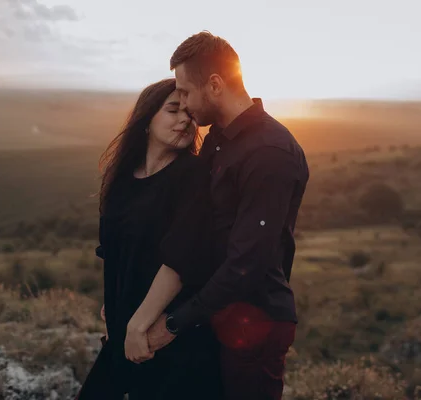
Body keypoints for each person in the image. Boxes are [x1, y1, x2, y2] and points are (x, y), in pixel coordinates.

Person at [138, 32, 310, 400]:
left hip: (256, 320)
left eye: (184, 91)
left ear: (214, 84)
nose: (182, 104)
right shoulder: (219, 137)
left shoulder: (270, 152)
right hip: (217, 316)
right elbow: (197, 228)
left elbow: (246, 265)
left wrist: (172, 324)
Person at [75, 78, 223, 400]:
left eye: (190, 114)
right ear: (146, 119)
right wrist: (116, 298)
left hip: (168, 336)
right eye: (173, 110)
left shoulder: (193, 176)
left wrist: (139, 324)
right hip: (125, 327)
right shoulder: (123, 178)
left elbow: (182, 259)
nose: (185, 119)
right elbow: (116, 250)